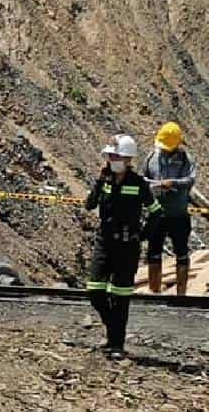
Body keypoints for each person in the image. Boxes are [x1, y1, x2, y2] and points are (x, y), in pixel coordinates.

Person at [84, 133, 162, 359]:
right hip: (104, 242)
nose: (111, 159)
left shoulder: (138, 185)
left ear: (128, 159)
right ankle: (113, 330)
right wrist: (99, 183)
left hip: (127, 246)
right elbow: (89, 205)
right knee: (95, 291)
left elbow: (156, 213)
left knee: (120, 297)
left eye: (115, 155)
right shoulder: (105, 180)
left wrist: (142, 235)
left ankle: (116, 343)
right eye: (110, 155)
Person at [143, 121, 198, 295]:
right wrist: (153, 186)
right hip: (157, 214)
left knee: (181, 252)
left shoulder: (186, 160)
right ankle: (154, 291)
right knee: (153, 252)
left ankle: (181, 293)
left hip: (178, 215)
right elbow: (143, 179)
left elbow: (190, 180)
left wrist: (172, 183)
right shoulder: (152, 158)